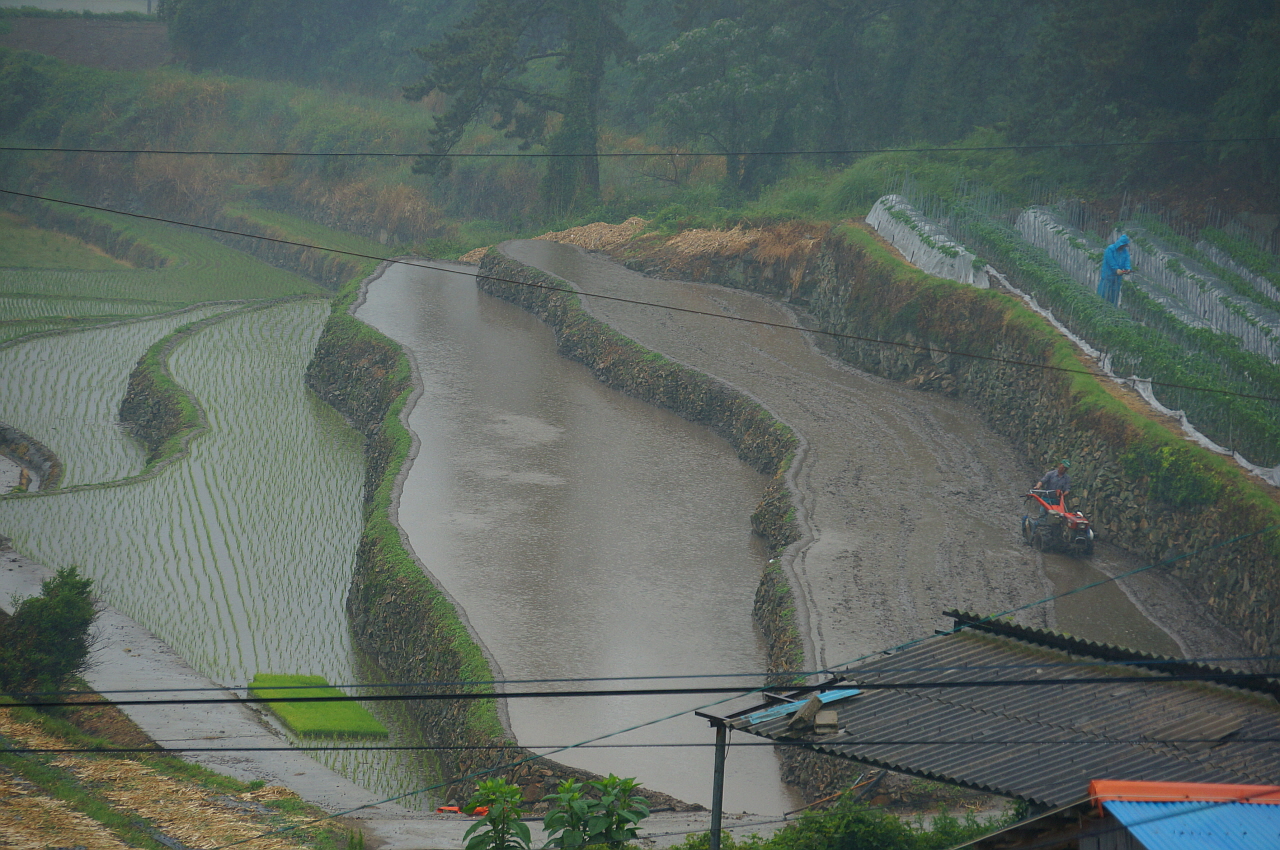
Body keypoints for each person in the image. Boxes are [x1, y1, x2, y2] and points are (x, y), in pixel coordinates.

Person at [1097, 234, 1132, 306]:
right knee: (1103, 292)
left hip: (1117, 277)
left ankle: (1112, 308)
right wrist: (1116, 269)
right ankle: (1100, 305)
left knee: (1114, 295)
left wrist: (1127, 268)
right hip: (1108, 274)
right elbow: (1110, 261)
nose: (1123, 247)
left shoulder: (1125, 252)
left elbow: (1127, 261)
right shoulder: (1110, 249)